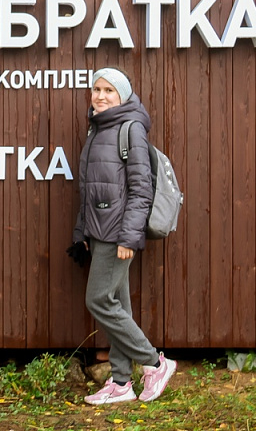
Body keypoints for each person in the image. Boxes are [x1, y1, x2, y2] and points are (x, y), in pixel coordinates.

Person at [70, 67, 176, 405]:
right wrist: (82, 231)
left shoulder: (131, 128)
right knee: (118, 306)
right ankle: (120, 383)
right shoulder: (98, 128)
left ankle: (155, 363)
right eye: (96, 89)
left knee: (98, 300)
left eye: (109, 90)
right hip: (100, 230)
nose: (100, 96)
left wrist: (129, 238)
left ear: (123, 95)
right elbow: (90, 188)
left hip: (117, 232)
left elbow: (141, 189)